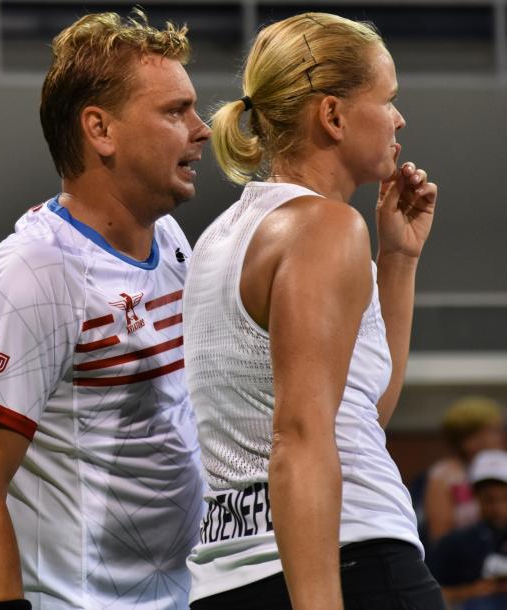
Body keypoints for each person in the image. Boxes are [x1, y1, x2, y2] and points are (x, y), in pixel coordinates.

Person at [0, 10, 210, 610]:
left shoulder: (169, 238)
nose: (202, 130)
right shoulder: (34, 272)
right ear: (100, 129)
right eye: (175, 111)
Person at [182, 11, 443, 610]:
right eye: (388, 98)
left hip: (229, 582)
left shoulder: (219, 240)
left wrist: (397, 260)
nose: (399, 118)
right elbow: (300, 438)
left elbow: (359, 419)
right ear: (332, 115)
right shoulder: (323, 227)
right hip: (348, 562)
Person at [429, 449, 507, 609]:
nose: (499, 507)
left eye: (505, 498)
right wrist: (468, 592)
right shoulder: (454, 543)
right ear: (475, 496)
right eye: (489, 499)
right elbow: (428, 593)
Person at [424, 397, 506, 544]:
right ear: (469, 439)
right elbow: (440, 537)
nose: (501, 436)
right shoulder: (443, 476)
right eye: (493, 431)